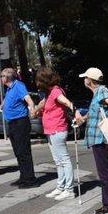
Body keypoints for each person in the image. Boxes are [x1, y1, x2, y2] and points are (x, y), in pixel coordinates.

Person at [74, 67, 108, 214]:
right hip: (97, 138)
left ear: (90, 80)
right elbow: (94, 113)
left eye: (85, 78)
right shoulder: (96, 93)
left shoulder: (102, 91)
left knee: (104, 174)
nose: (84, 80)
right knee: (104, 173)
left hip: (101, 138)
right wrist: (81, 120)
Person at [32, 67, 76, 199]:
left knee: (64, 160)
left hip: (57, 129)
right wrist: (36, 110)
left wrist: (75, 111)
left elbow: (67, 102)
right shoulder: (49, 92)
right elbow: (43, 103)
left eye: (39, 80)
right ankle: (61, 186)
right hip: (50, 130)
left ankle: (69, 189)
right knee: (58, 161)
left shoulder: (56, 91)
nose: (37, 83)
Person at [0, 67, 37, 188]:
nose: (1, 78)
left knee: (24, 152)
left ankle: (30, 180)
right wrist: (0, 107)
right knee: (18, 152)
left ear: (7, 77)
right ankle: (23, 177)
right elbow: (6, 101)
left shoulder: (19, 85)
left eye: (2, 76)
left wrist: (32, 110)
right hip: (13, 123)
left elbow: (29, 100)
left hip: (20, 122)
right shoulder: (10, 88)